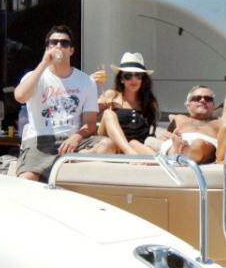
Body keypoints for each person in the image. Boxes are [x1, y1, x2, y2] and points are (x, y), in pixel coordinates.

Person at [13, 25, 98, 181]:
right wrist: (44, 63)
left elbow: (91, 123)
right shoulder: (35, 76)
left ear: (71, 50)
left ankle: (66, 166)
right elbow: (20, 96)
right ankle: (60, 166)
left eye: (64, 43)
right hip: (41, 140)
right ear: (47, 48)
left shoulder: (86, 81)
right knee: (26, 179)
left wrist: (76, 138)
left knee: (108, 145)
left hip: (72, 141)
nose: (59, 46)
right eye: (54, 42)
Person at [81, 52, 158, 155]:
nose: (133, 79)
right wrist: (88, 86)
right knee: (109, 114)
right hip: (110, 142)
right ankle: (129, 153)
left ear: (143, 79)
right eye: (128, 76)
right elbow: (87, 117)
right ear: (121, 79)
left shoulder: (148, 102)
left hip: (134, 144)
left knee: (153, 157)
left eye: (138, 75)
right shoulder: (111, 95)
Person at [162, 85, 221, 163]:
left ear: (214, 106)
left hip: (205, 146)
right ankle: (177, 151)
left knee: (199, 143)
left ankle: (183, 153)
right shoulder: (179, 118)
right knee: (171, 144)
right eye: (197, 98)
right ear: (188, 105)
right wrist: (165, 136)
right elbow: (167, 136)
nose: (202, 100)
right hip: (180, 141)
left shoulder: (220, 122)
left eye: (208, 99)